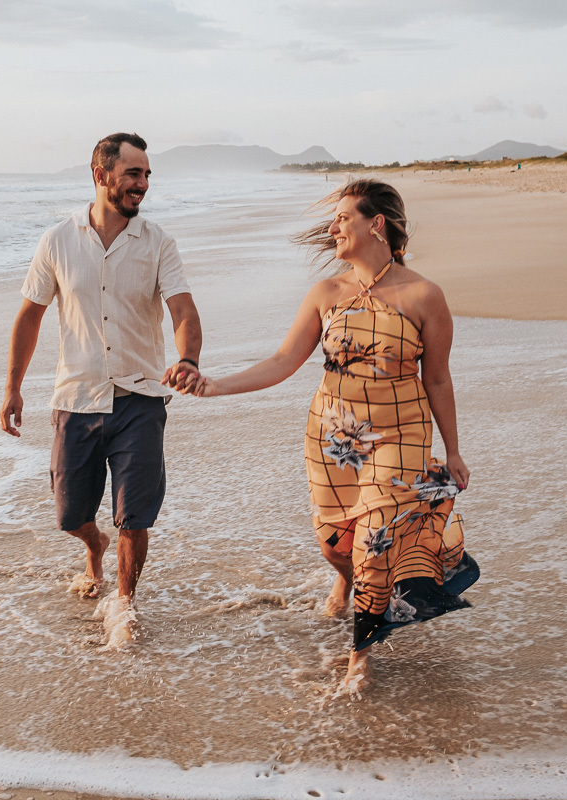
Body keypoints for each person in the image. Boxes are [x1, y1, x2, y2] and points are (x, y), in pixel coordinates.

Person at [170, 179, 478, 690]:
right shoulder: (326, 294)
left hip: (400, 436)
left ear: (374, 224)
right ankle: (344, 580)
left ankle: (361, 655)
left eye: (343, 218)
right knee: (338, 547)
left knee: (374, 545)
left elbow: (438, 378)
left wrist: (454, 450)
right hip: (333, 440)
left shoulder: (424, 295)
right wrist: (214, 386)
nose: (333, 227)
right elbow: (285, 360)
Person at [0, 132, 202, 636]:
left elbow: (182, 309)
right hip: (77, 397)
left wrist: (189, 358)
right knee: (70, 515)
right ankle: (94, 545)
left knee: (134, 514)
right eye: (134, 173)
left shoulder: (159, 243)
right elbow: (29, 317)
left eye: (147, 174)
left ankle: (124, 603)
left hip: (141, 397)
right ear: (101, 174)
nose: (143, 184)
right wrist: (13, 388)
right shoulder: (58, 241)